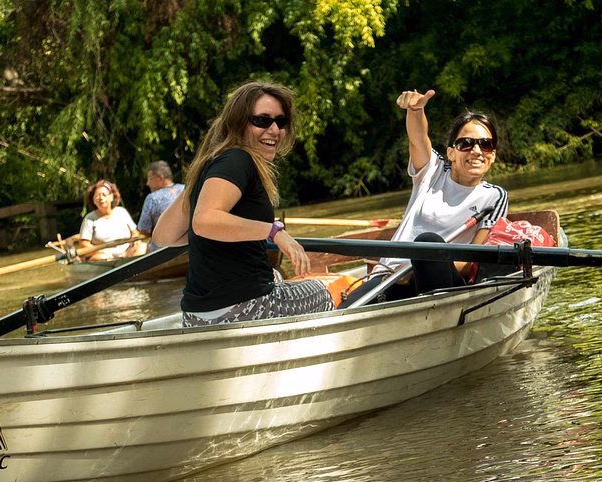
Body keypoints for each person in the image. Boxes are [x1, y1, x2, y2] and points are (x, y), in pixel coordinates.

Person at [153, 81, 334, 326]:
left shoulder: (213, 166)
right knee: (321, 292)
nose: (274, 130)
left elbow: (164, 236)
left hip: (197, 317)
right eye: (262, 120)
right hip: (245, 308)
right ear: (239, 123)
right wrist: (274, 231)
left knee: (276, 277)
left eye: (280, 122)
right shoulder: (238, 160)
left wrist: (200, 179)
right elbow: (205, 221)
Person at [340, 88, 509, 306]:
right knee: (344, 311)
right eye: (466, 144)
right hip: (390, 275)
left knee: (427, 244)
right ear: (451, 153)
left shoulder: (494, 196)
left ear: (493, 156)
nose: (476, 151)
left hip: (443, 284)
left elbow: (473, 258)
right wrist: (415, 110)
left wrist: (418, 269)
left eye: (485, 145)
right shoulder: (433, 171)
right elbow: (419, 138)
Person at [68, 179, 143, 261]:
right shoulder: (89, 218)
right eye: (96, 195)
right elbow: (84, 244)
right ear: (93, 200)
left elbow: (135, 233)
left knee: (142, 247)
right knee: (102, 258)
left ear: (111, 197)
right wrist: (101, 253)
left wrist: (135, 241)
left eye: (104, 194)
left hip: (127, 254)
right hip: (103, 257)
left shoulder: (122, 212)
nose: (100, 198)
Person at [135, 160, 184, 249]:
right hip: (191, 245)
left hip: (164, 251)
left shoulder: (152, 198)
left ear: (160, 178)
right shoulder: (186, 189)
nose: (147, 183)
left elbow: (144, 231)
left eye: (150, 178)